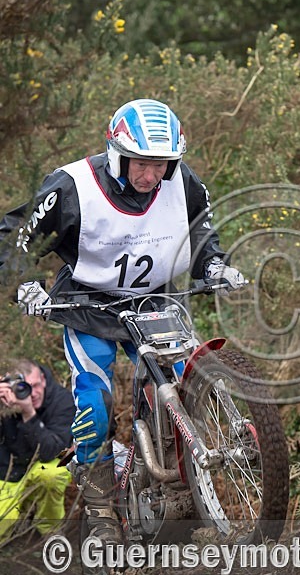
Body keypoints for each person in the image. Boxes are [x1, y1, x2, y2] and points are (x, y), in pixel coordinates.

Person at [0, 98, 245, 546]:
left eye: (161, 165)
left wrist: (214, 266)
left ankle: (180, 487)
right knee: (96, 400)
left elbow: (203, 232)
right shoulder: (72, 186)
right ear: (117, 154)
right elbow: (14, 235)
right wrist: (24, 285)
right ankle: (98, 506)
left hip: (151, 301)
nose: (152, 176)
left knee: (177, 384)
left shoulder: (182, 182)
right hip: (88, 305)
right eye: (141, 164)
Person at [0, 358, 75, 542]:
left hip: (44, 464)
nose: (31, 393)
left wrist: (28, 413)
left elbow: (52, 451)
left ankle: (50, 528)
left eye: (35, 385)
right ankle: (19, 518)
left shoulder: (62, 401)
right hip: (8, 469)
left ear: (43, 378)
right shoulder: (5, 400)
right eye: (23, 388)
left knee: (51, 475)